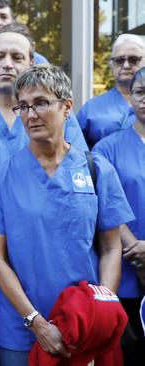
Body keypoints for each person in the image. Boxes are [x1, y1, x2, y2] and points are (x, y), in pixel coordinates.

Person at [0, 64, 133, 365]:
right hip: (20, 331)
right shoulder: (3, 176)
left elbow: (112, 247)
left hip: (85, 327)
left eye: (41, 103)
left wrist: (98, 312)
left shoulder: (95, 169)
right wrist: (35, 322)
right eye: (23, 106)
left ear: (67, 107)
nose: (31, 114)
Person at [93, 66, 145, 365]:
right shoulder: (107, 148)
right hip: (124, 269)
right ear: (130, 97)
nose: (144, 99)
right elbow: (104, 204)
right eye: (139, 92)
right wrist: (136, 250)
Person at [77, 34, 145, 148]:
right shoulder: (91, 109)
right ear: (112, 65)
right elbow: (76, 152)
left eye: (133, 59)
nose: (126, 65)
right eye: (119, 60)